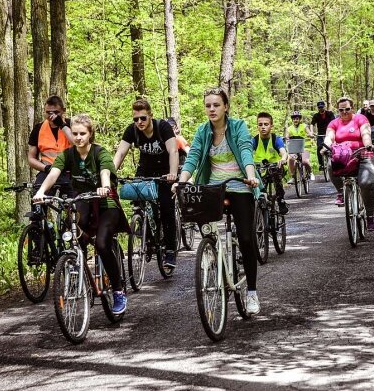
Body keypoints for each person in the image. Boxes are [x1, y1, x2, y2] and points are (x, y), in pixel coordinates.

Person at [174, 88, 262, 315]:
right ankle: (211, 252)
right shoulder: (203, 131)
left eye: (216, 105)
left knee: (245, 238)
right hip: (213, 187)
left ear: (225, 107)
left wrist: (251, 175)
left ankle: (251, 291)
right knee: (202, 220)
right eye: (208, 106)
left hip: (240, 183)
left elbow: (245, 151)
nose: (211, 109)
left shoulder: (238, 126)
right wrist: (182, 181)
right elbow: (192, 158)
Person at [33, 114, 129, 314]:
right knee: (77, 235)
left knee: (102, 244)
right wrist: (41, 192)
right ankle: (80, 274)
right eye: (75, 133)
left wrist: (104, 187)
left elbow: (105, 172)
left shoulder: (99, 153)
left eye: (82, 134)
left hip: (106, 203)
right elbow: (53, 173)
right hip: (83, 200)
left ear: (90, 134)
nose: (78, 137)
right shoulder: (68, 155)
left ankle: (118, 290)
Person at [113, 99, 179, 268]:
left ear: (150, 115)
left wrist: (173, 173)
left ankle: (170, 251)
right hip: (145, 170)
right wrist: (110, 175)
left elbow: (173, 150)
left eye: (143, 118)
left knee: (166, 208)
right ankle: (146, 234)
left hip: (165, 171)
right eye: (136, 119)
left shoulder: (162, 127)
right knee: (138, 200)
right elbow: (120, 153)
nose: (139, 122)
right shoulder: (132, 131)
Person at [322, 97, 374, 230]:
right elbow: (329, 137)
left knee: (367, 183)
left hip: (362, 153)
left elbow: (365, 133)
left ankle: (369, 216)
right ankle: (341, 191)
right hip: (342, 155)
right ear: (338, 110)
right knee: (330, 164)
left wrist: (368, 144)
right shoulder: (334, 123)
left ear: (352, 108)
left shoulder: (360, 119)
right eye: (341, 110)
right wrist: (326, 146)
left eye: (347, 109)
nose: (344, 112)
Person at [28, 95, 74, 191]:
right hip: (47, 170)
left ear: (63, 110)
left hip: (70, 172)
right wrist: (46, 168)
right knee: (37, 199)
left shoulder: (72, 125)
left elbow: (78, 145)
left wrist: (62, 125)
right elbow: (31, 159)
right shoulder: (38, 128)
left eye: (56, 112)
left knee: (74, 201)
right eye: (48, 112)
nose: (52, 116)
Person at [252, 112, 289, 215]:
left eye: (266, 124)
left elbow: (283, 152)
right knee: (255, 184)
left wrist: (283, 159)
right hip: (260, 170)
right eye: (260, 125)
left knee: (275, 173)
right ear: (257, 126)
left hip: (275, 168)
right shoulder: (254, 140)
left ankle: (280, 200)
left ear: (271, 126)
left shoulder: (276, 139)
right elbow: (246, 152)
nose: (263, 127)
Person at [284, 110, 312, 183]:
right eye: (294, 119)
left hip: (305, 146)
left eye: (297, 119)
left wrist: (310, 134)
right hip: (294, 147)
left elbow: (309, 132)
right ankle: (293, 177)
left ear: (299, 119)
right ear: (292, 120)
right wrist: (286, 137)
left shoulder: (304, 126)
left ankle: (310, 172)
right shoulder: (289, 128)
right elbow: (287, 135)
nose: (295, 120)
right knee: (290, 159)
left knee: (305, 161)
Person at [309, 101, 335, 173]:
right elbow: (312, 124)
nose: (321, 108)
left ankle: (335, 162)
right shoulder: (316, 115)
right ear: (318, 108)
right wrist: (311, 132)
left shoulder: (330, 114)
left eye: (322, 107)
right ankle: (321, 164)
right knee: (319, 148)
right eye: (319, 107)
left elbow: (334, 122)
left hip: (329, 133)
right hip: (320, 134)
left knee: (332, 147)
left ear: (324, 107)